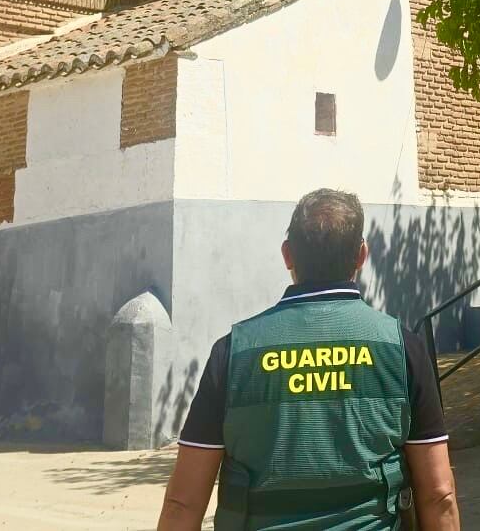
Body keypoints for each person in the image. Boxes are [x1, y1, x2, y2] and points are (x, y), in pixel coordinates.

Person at [156, 188, 461, 531]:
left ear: (287, 255)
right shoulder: (403, 348)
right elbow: (439, 495)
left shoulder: (233, 353)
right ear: (362, 255)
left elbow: (182, 504)